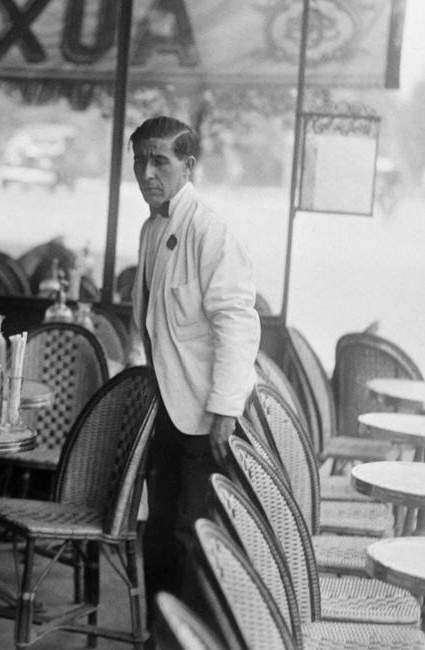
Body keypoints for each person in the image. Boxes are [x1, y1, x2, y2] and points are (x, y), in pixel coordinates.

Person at [128, 116, 261, 611]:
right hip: (167, 412)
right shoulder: (151, 229)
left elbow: (237, 326)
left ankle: (191, 638)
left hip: (207, 420)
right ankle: (158, 634)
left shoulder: (211, 232)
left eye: (159, 160)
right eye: (139, 160)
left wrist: (225, 415)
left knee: (193, 537)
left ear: (187, 165)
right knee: (159, 533)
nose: (146, 172)